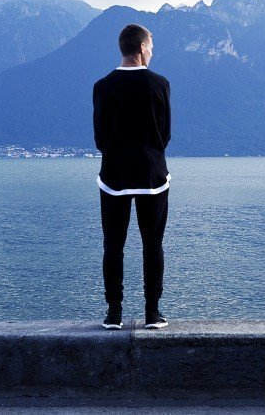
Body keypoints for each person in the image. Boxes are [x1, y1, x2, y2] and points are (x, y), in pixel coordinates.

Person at [92, 23, 171, 330]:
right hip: (152, 176)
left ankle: (114, 313)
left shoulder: (102, 86)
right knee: (153, 244)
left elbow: (99, 137)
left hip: (113, 176)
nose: (152, 51)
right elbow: (165, 135)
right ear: (140, 48)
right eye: (150, 46)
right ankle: (153, 312)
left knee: (113, 245)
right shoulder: (159, 84)